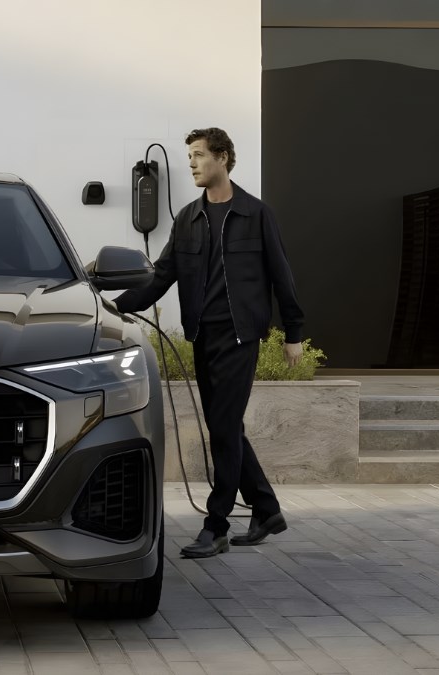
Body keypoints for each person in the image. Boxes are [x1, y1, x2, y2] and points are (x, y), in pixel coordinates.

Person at [114, 127, 304, 559]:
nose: (192, 164)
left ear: (223, 157)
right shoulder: (187, 218)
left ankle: (216, 524)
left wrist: (293, 333)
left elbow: (282, 275)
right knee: (226, 426)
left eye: (199, 155)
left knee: (222, 426)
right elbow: (160, 277)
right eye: (190, 157)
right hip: (203, 335)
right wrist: (111, 305)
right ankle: (267, 510)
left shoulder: (256, 214)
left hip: (240, 336)